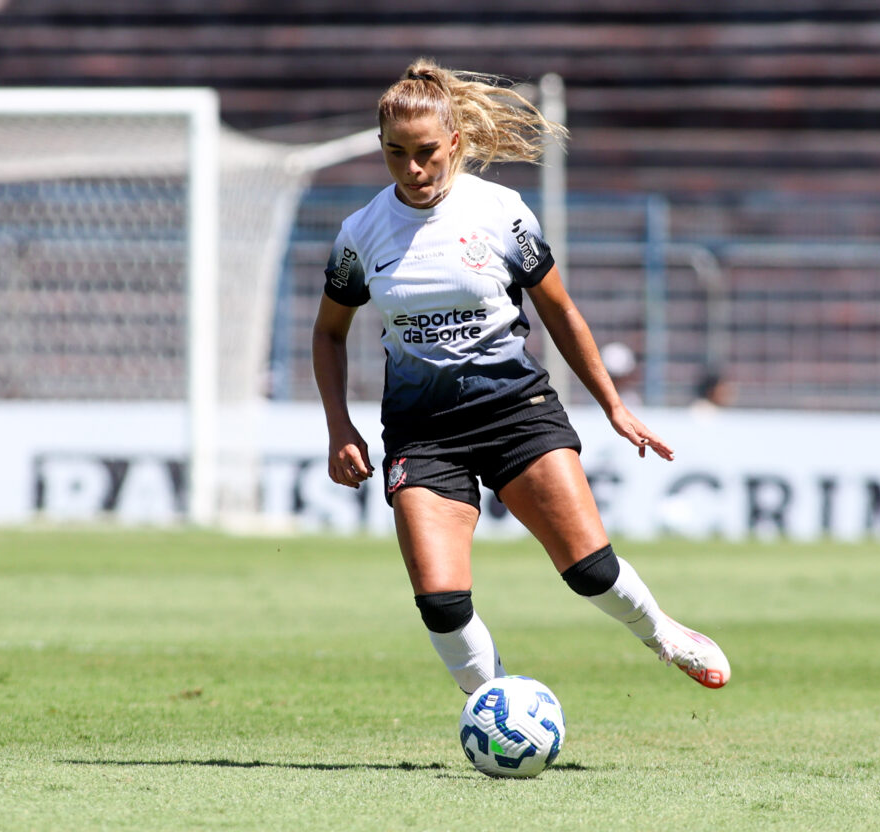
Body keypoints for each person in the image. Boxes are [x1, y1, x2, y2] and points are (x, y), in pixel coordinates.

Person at [312, 59, 730, 694]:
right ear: (381, 146)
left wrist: (613, 406)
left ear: (455, 142)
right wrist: (339, 426)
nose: (413, 168)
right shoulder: (360, 234)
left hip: (515, 411)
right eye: (396, 153)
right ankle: (497, 707)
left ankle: (663, 634)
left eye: (426, 153)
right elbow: (328, 333)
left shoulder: (500, 211)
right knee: (441, 603)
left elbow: (560, 311)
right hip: (423, 432)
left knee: (589, 570)